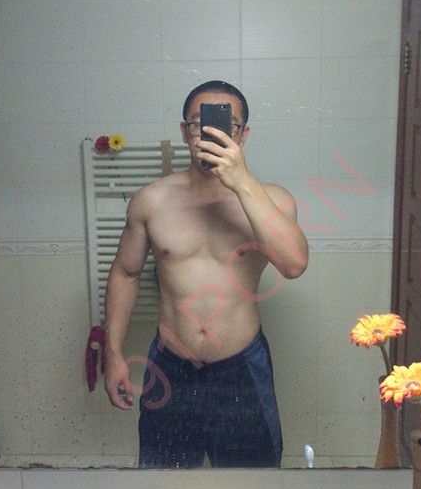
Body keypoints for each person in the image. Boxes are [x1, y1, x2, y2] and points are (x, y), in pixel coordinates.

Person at [104, 80, 309, 468]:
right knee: (164, 480)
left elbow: (294, 264)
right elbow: (126, 274)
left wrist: (241, 182)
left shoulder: (274, 200)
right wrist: (112, 354)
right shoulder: (151, 201)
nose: (210, 132)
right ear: (185, 132)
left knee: (253, 482)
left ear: (243, 135)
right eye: (199, 123)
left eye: (226, 124)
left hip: (242, 366)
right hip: (169, 366)